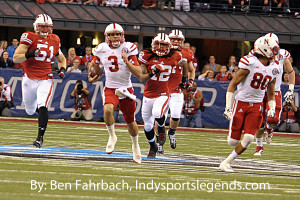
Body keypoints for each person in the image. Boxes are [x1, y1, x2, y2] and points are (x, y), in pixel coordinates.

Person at [220, 36, 279, 172]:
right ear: (264, 50)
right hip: (241, 103)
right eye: (273, 50)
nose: (275, 53)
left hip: (257, 105)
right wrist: (228, 107)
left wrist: (271, 107)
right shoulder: (250, 63)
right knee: (232, 142)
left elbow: (271, 92)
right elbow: (232, 84)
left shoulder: (274, 68)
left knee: (248, 138)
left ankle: (226, 162)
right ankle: (233, 140)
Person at [87, 23, 142, 164]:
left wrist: (126, 61)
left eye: (117, 34)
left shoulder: (128, 48)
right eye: (112, 34)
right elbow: (95, 66)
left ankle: (135, 146)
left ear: (122, 35)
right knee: (107, 109)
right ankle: (112, 136)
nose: (115, 37)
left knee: (130, 122)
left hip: (126, 88)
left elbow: (139, 73)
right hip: (110, 87)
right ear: (107, 37)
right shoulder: (101, 49)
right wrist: (91, 73)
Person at [13, 14, 66, 148]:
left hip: (46, 78)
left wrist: (62, 70)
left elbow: (62, 59)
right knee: (30, 110)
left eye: (47, 27)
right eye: (42, 26)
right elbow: (16, 58)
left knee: (43, 104)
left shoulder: (54, 39)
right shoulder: (30, 37)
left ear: (51, 28)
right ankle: (39, 113)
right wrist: (30, 54)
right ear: (36, 27)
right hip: (29, 78)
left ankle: (39, 138)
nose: (44, 30)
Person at [138, 33, 184, 158]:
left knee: (158, 112)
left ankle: (162, 129)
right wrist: (153, 72)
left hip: (163, 92)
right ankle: (153, 146)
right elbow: (142, 78)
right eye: (158, 44)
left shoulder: (175, 55)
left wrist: (184, 80)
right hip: (148, 94)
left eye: (163, 45)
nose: (161, 48)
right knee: (147, 126)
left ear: (168, 46)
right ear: (153, 44)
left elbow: (184, 64)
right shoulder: (146, 55)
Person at [254, 33, 295, 156]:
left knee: (273, 120)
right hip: (261, 91)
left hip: (275, 91)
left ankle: (269, 128)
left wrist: (291, 89)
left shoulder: (282, 55)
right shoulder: (258, 54)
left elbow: (290, 72)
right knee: (258, 121)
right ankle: (259, 146)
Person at [161, 29, 194, 153]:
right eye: (173, 39)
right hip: (163, 90)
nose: (175, 42)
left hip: (177, 89)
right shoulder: (162, 52)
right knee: (160, 117)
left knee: (175, 115)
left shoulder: (186, 53)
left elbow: (191, 69)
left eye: (178, 40)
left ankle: (171, 132)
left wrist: (190, 81)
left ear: (182, 41)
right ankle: (160, 140)